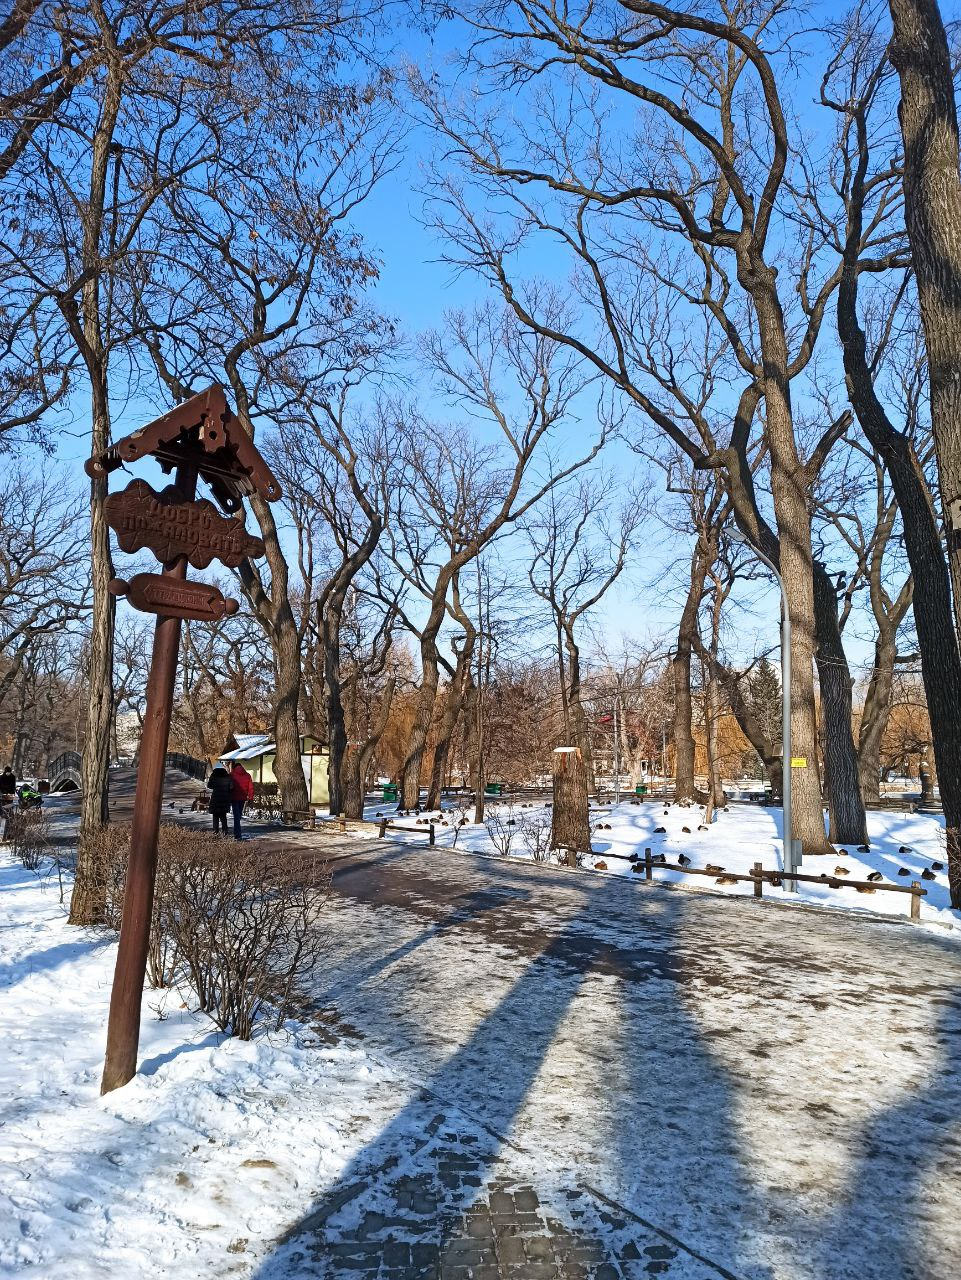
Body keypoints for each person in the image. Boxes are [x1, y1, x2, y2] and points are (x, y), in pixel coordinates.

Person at [229, 760, 255, 840]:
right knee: (238, 816)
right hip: (243, 798)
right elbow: (251, 788)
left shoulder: (231, 775)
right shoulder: (247, 775)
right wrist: (250, 798)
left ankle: (237, 834)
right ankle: (237, 832)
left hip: (234, 798)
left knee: (236, 817)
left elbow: (228, 786)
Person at [206, 765, 233, 835]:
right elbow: (231, 787)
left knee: (215, 816)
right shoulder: (228, 777)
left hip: (215, 799)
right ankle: (225, 831)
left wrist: (211, 778)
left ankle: (215, 831)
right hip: (225, 799)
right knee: (223, 816)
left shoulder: (214, 777)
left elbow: (209, 786)